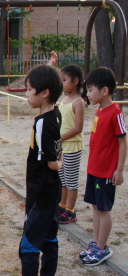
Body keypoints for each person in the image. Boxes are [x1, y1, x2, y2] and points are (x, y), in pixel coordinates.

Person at [0, 64, 63, 276]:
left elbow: (51, 161)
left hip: (41, 194)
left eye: (30, 90)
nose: (27, 94)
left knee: (27, 246)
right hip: (52, 192)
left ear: (45, 93)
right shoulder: (56, 113)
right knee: (49, 240)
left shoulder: (41, 122)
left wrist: (58, 163)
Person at [79, 67, 126, 266]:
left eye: (91, 90)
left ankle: (102, 247)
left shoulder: (115, 113)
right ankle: (96, 242)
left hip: (106, 172)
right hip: (94, 169)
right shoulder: (99, 110)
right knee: (96, 206)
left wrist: (119, 170)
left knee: (104, 209)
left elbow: (123, 142)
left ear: (104, 91)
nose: (88, 94)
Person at [56, 62, 86, 224]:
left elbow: (78, 128)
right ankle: (62, 205)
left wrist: (61, 137)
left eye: (64, 80)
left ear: (75, 81)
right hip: (62, 148)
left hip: (72, 147)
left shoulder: (78, 102)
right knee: (62, 179)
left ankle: (71, 211)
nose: (62, 83)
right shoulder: (64, 100)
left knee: (71, 180)